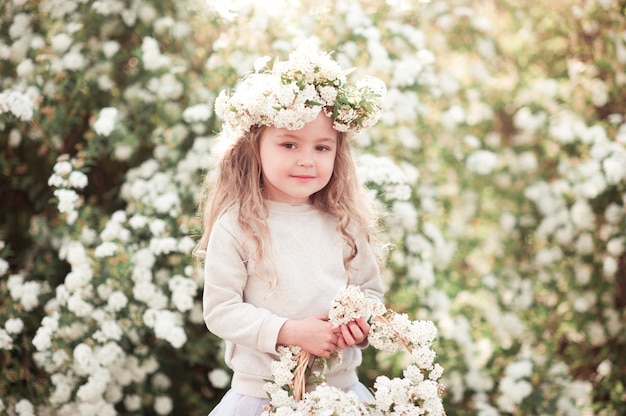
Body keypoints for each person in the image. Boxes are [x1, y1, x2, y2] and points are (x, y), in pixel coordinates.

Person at [195, 40, 387, 415]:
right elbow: (221, 309)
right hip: (262, 396)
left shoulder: (344, 222)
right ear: (255, 148)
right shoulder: (238, 224)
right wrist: (288, 331)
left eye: (321, 148)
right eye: (288, 144)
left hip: (340, 395)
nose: (306, 161)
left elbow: (370, 294)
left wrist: (361, 324)